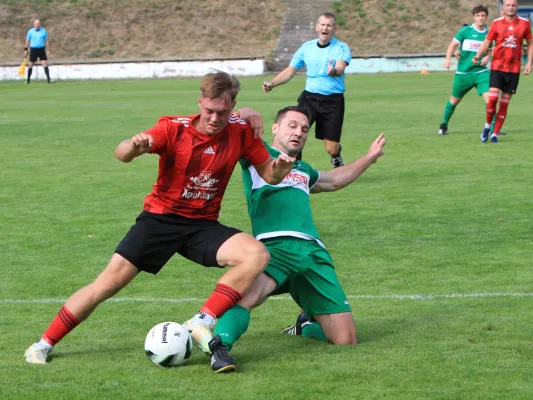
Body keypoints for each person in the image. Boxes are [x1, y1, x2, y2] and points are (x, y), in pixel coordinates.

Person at [23, 71, 296, 364]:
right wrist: (133, 146)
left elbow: (269, 173)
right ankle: (43, 344)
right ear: (200, 101)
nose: (216, 119)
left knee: (256, 254)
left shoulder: (240, 130)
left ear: (233, 107)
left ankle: (201, 321)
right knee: (107, 284)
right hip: (159, 220)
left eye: (224, 112)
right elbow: (121, 154)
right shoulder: (173, 128)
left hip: (202, 226)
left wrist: (278, 170)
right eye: (210, 111)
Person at [204, 105, 386, 372]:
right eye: (292, 125)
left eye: (304, 129)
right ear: (275, 127)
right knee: (246, 298)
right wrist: (246, 110)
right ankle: (220, 349)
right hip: (275, 249)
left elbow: (335, 180)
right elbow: (233, 123)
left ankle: (307, 326)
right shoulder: (258, 154)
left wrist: (369, 157)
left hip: (313, 254)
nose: (299, 132)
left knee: (346, 341)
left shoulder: (304, 169)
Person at [262, 13, 352, 168]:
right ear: (317, 27)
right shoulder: (307, 48)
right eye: (322, 24)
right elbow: (290, 71)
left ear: (334, 29)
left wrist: (334, 71)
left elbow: (340, 67)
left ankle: (336, 156)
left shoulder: (341, 48)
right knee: (296, 133)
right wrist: (272, 83)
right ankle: (294, 168)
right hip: (309, 99)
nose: (325, 28)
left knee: (331, 148)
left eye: (329, 25)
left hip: (332, 101)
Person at [473, 0, 533, 143]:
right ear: (503, 7)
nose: (510, 8)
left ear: (516, 7)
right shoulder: (497, 23)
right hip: (497, 67)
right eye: (508, 5)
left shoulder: (524, 23)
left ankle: (495, 133)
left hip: (513, 70)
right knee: (493, 99)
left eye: (513, 5)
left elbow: (530, 43)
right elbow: (487, 42)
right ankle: (487, 126)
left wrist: (529, 63)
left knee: (504, 103)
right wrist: (477, 55)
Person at [439, 5, 493, 136]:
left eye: (483, 15)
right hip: (464, 73)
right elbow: (452, 45)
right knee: (454, 100)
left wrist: (487, 56)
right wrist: (447, 59)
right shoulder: (465, 30)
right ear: (474, 17)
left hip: (481, 72)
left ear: (486, 17)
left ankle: (493, 130)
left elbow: (491, 49)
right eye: (478, 15)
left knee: (491, 99)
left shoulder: (490, 33)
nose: (480, 18)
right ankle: (444, 124)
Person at [24, 19, 53, 84]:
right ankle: (28, 80)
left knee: (44, 63)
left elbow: (46, 41)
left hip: (41, 49)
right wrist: (25, 49)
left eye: (38, 24)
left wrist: (48, 49)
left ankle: (49, 80)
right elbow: (27, 41)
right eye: (36, 24)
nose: (37, 25)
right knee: (31, 64)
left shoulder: (43, 31)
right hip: (33, 49)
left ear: (40, 24)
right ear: (34, 24)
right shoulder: (30, 31)